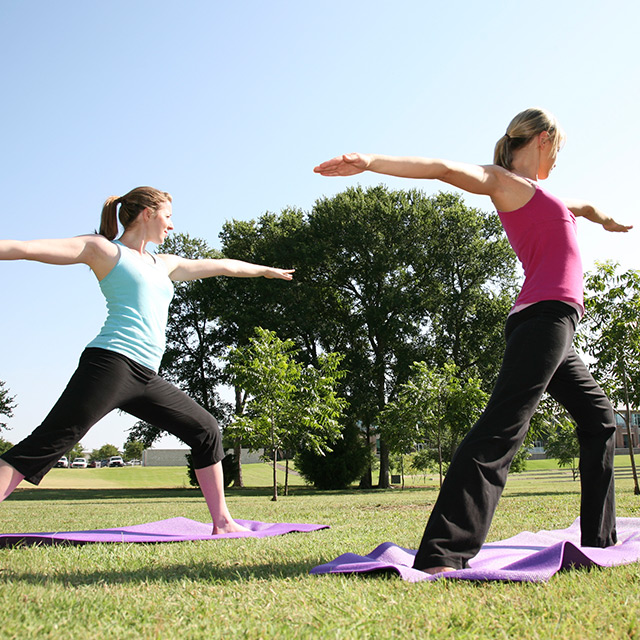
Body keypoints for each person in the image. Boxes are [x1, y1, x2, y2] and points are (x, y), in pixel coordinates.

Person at [314, 107, 632, 573]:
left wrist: (607, 220)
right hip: (543, 319)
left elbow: (583, 207)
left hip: (558, 324)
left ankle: (599, 541)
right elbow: (442, 170)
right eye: (558, 149)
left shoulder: (548, 197)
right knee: (503, 427)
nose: (559, 159)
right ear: (544, 138)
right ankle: (444, 552)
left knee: (601, 421)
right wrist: (369, 160)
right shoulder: (503, 182)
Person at [0, 186, 294, 534]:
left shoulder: (164, 263)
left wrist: (262, 270)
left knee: (205, 430)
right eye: (168, 216)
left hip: (144, 375)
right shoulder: (105, 250)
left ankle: (224, 523)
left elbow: (220, 265)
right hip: (109, 365)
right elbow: (27, 249)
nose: (171, 225)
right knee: (47, 443)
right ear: (148, 213)